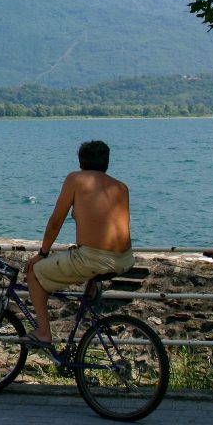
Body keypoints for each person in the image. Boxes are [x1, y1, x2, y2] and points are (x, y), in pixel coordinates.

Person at [22, 140, 134, 347]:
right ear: (106, 162)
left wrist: (43, 253)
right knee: (85, 259)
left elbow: (56, 221)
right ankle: (92, 288)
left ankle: (44, 333)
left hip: (93, 258)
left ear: (81, 163)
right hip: (124, 258)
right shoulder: (121, 187)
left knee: (34, 273)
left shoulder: (75, 179)